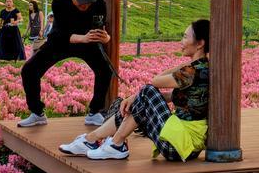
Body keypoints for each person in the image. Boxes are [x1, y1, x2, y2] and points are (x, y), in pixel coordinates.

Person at [60, 19, 210, 161]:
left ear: (200, 44)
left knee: (147, 90)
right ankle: (92, 140)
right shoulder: (200, 69)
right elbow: (171, 96)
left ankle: (114, 143)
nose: (181, 42)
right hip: (181, 142)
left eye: (185, 37)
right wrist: (137, 99)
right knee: (141, 100)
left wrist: (184, 65)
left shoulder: (194, 71)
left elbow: (155, 81)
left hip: (180, 145)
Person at [18, 0, 112, 128]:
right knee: (29, 70)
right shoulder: (59, 2)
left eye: (88, 0)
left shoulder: (99, 4)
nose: (85, 5)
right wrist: (83, 38)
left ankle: (94, 113)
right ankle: (37, 114)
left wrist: (106, 38)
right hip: (60, 42)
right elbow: (61, 34)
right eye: (81, 1)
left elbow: (100, 29)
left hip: (88, 42)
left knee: (105, 70)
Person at [0, 0, 25, 64]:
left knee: (15, 45)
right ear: (5, 3)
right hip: (4, 30)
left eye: (10, 1)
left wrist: (17, 21)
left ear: (12, 3)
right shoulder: (3, 11)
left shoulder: (16, 10)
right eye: (7, 1)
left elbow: (21, 19)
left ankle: (14, 59)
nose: (8, 3)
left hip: (14, 30)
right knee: (1, 44)